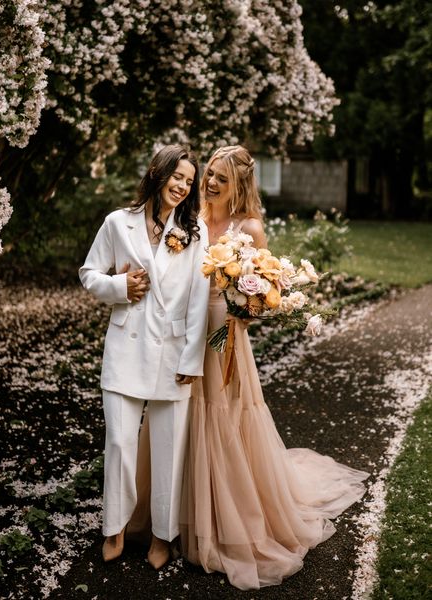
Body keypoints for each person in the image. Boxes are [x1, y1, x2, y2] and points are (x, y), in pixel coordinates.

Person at [179, 145, 369, 590]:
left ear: (239, 185)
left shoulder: (250, 229)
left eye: (220, 179)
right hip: (181, 331)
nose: (209, 183)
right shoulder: (189, 218)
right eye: (208, 174)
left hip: (222, 340)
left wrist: (241, 307)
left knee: (221, 413)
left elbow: (263, 299)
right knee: (182, 412)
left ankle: (224, 516)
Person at [79, 145, 210, 570]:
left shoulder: (195, 231)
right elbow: (89, 274)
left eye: (189, 182)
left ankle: (161, 535)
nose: (182, 186)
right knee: (118, 443)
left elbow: (198, 298)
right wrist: (120, 287)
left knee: (169, 450)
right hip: (125, 349)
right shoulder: (118, 223)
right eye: (178, 176)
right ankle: (114, 528)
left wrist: (191, 359)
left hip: (173, 354)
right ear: (158, 172)